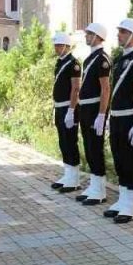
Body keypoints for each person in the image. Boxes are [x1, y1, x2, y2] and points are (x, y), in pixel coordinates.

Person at [105, 19, 133, 225]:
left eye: (122, 31)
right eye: (119, 31)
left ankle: (131, 205)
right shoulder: (120, 60)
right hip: (116, 116)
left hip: (130, 117)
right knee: (119, 159)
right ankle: (123, 199)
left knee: (130, 161)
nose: (118, 34)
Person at [75, 23, 112, 206]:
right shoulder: (90, 58)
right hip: (86, 108)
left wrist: (101, 114)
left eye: (89, 34)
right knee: (89, 148)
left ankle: (100, 190)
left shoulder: (102, 59)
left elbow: (105, 89)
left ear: (98, 36)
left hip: (95, 109)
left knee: (96, 149)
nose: (86, 36)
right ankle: (94, 184)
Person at [49, 32, 82, 193]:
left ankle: (74, 179)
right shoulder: (60, 62)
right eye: (55, 45)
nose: (56, 48)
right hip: (59, 106)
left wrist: (71, 110)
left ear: (66, 46)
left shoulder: (73, 63)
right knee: (63, 141)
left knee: (70, 141)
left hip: (70, 108)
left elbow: (75, 88)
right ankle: (68, 175)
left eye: (59, 45)